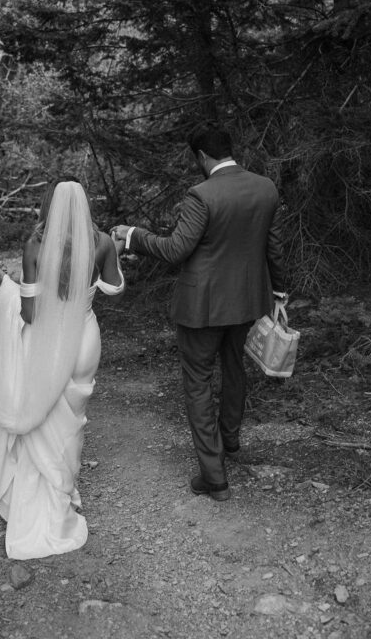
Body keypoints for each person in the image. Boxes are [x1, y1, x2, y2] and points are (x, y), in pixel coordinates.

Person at [112, 123, 287, 502]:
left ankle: (214, 476)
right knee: (234, 367)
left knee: (198, 383)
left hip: (202, 309)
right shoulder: (265, 187)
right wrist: (280, 291)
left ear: (202, 157)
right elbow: (274, 247)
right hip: (247, 302)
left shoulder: (201, 195)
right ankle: (231, 442)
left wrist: (131, 236)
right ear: (229, 149)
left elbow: (176, 249)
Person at [0, 178, 125, 558]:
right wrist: (106, 260)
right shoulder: (99, 241)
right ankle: (63, 493)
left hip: (48, 344)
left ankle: (44, 499)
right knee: (72, 421)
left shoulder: (35, 243)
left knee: (45, 422)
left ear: (47, 206)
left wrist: (9, 286)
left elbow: (30, 314)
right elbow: (115, 288)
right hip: (84, 340)